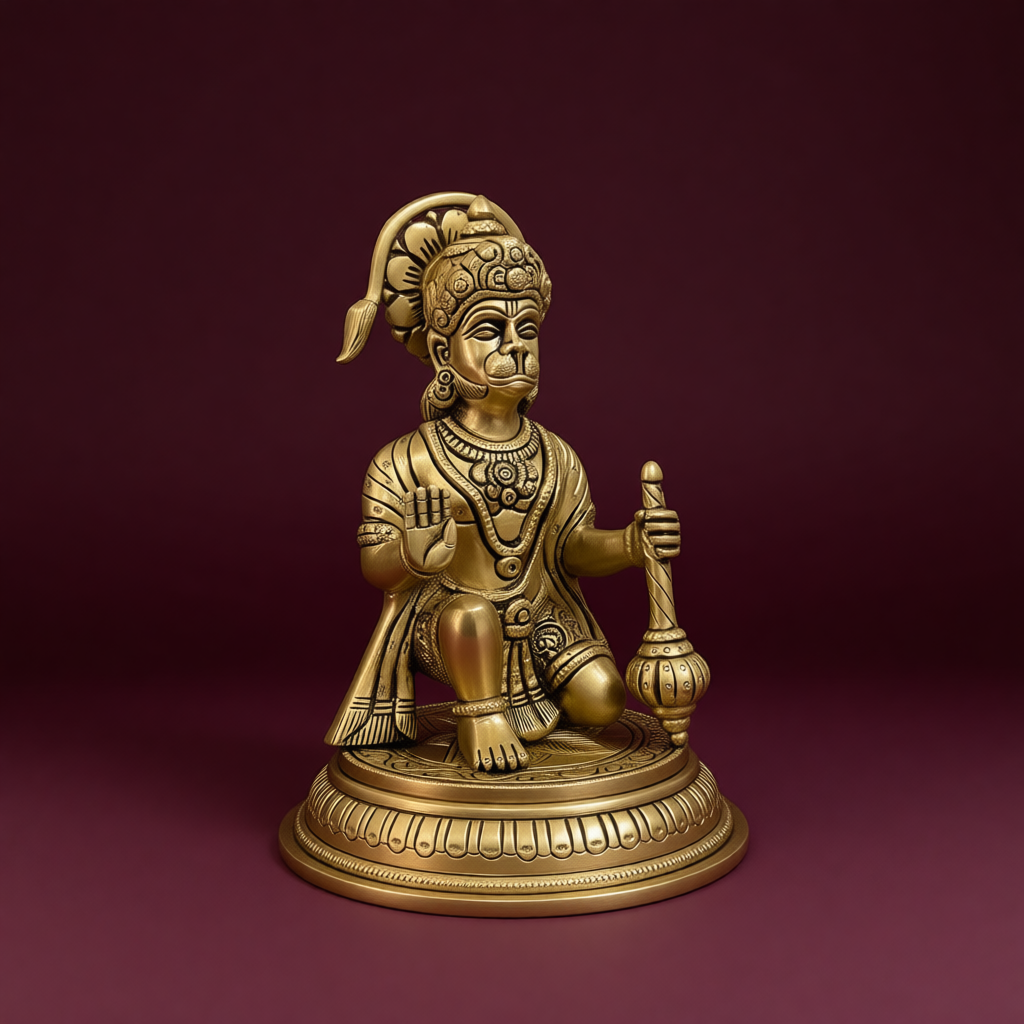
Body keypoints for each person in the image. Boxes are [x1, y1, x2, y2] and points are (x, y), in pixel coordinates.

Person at [324, 195, 680, 772]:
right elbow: (375, 564)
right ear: (442, 350)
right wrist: (410, 556)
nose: (516, 344)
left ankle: (526, 700)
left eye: (527, 329)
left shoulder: (556, 456)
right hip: (448, 622)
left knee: (604, 699)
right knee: (471, 617)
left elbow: (570, 549)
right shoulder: (404, 460)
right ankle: (482, 715)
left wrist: (628, 544)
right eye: (490, 329)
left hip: (537, 615)